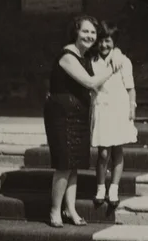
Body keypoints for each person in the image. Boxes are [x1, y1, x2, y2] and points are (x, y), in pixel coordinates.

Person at [44, 15, 122, 227]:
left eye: (93, 33)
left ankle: (70, 210)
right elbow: (89, 82)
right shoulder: (68, 55)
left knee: (75, 164)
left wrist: (116, 52)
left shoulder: (86, 55)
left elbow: (113, 49)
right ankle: (54, 210)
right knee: (63, 164)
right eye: (85, 31)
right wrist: (111, 68)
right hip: (61, 114)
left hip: (78, 115)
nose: (90, 36)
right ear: (76, 33)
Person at [90, 21, 137, 208]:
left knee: (117, 150)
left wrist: (132, 108)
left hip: (119, 109)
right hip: (102, 109)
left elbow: (131, 88)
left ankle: (114, 188)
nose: (104, 45)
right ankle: (100, 186)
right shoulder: (92, 61)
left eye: (108, 41)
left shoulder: (123, 61)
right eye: (101, 41)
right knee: (102, 153)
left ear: (114, 42)